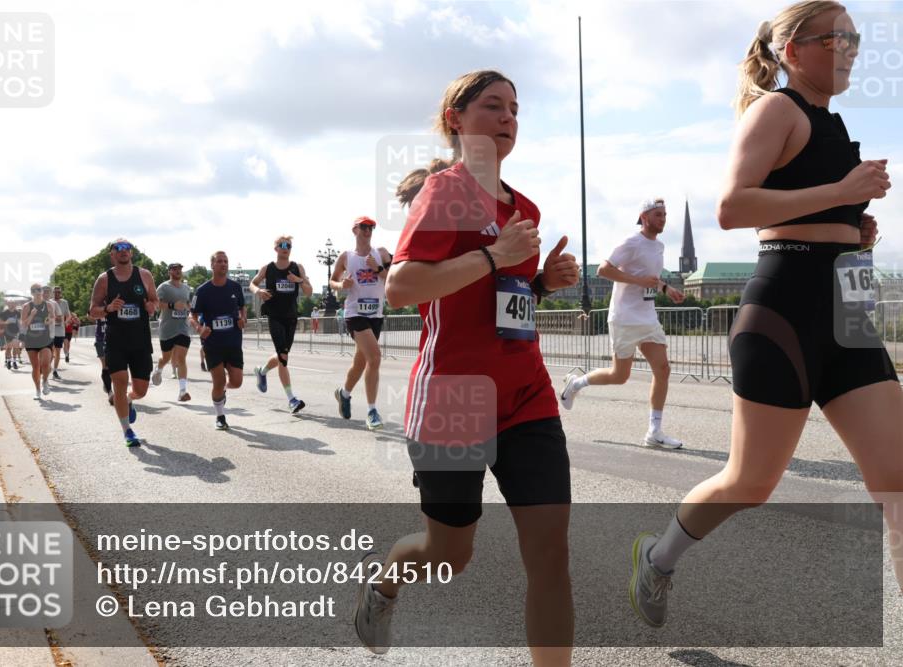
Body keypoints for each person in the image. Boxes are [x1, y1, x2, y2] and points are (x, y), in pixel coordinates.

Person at [629, 1, 901, 631]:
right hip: (785, 307)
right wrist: (839, 195)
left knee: (897, 477)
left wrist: (852, 230)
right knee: (751, 482)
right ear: (793, 50)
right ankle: (659, 556)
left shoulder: (831, 123)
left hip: (848, 304)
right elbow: (732, 207)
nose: (851, 48)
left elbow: (802, 206)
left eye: (856, 38)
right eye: (838, 37)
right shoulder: (777, 109)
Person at [353, 70, 581, 665]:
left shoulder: (523, 206)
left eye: (514, 109)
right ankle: (385, 584)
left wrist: (537, 281)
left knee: (551, 555)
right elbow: (402, 287)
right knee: (449, 554)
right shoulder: (444, 193)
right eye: (492, 106)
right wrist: (494, 253)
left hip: (527, 395)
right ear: (456, 118)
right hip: (454, 400)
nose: (507, 118)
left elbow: (499, 296)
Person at [560, 199, 687, 448]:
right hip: (625, 317)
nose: (663, 219)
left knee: (663, 370)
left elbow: (649, 277)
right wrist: (638, 281)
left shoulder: (659, 246)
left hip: (647, 317)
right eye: (658, 214)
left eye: (665, 214)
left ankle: (654, 431)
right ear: (644, 217)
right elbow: (604, 270)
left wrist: (666, 288)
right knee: (619, 376)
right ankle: (575, 384)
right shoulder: (631, 242)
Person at [88, 239, 158, 447]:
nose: (123, 251)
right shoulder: (104, 279)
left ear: (131, 253)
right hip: (116, 340)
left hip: (140, 341)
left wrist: (151, 307)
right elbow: (92, 311)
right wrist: (108, 308)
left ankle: (129, 399)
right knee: (119, 382)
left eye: (127, 248)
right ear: (112, 255)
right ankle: (127, 430)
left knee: (141, 390)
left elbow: (154, 301)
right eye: (118, 249)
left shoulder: (144, 276)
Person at [330, 216, 393, 430]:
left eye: (371, 227)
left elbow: (392, 279)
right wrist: (341, 284)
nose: (368, 231)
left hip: (376, 314)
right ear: (355, 229)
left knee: (361, 363)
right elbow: (333, 280)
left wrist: (377, 268)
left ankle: (344, 393)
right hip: (355, 313)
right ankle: (372, 411)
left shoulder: (381, 253)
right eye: (364, 227)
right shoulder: (346, 256)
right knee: (374, 357)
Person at [251, 235, 311, 414]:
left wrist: (299, 281)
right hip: (274, 316)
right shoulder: (268, 268)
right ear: (275, 248)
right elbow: (252, 284)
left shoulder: (297, 267)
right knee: (283, 357)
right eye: (282, 245)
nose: (286, 248)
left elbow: (309, 292)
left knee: (281, 355)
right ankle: (292, 399)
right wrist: (259, 291)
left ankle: (261, 371)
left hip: (291, 317)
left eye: (289, 245)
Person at [189, 251, 246, 431]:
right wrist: (199, 328)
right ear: (212, 265)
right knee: (218, 381)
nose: (223, 264)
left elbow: (242, 307)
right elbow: (192, 316)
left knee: (237, 382)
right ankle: (220, 416)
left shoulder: (235, 287)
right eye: (220, 261)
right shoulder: (203, 290)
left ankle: (221, 393)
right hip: (213, 343)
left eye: (226, 261)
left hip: (233, 341)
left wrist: (243, 319)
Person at [153, 262, 194, 402]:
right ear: (169, 271)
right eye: (175, 269)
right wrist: (172, 305)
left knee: (181, 359)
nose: (178, 271)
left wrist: (190, 311)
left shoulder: (186, 288)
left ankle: (182, 392)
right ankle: (158, 369)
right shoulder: (164, 287)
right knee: (166, 358)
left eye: (180, 269)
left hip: (182, 328)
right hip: (167, 328)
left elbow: (188, 304)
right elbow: (156, 304)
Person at [21, 284, 55, 401]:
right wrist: (31, 315)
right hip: (31, 340)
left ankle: (45, 381)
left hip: (45, 339)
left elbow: (52, 318)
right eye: (34, 290)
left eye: (39, 290)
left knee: (45, 364)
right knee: (35, 367)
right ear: (31, 293)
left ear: (42, 291)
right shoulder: (26, 306)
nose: (37, 292)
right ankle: (37, 390)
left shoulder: (48, 305)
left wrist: (49, 320)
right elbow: (24, 324)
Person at [49, 286, 70, 378]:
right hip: (50, 331)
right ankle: (46, 368)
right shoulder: (48, 302)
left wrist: (66, 322)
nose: (57, 293)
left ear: (60, 293)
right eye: (55, 292)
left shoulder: (64, 303)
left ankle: (55, 371)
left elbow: (68, 315)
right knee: (50, 352)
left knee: (57, 352)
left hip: (60, 331)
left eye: (58, 292)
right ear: (52, 293)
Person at [94, 317, 113, 405]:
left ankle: (107, 382)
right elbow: (89, 315)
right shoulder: (98, 303)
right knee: (105, 365)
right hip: (100, 338)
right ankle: (110, 392)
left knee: (113, 366)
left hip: (114, 337)